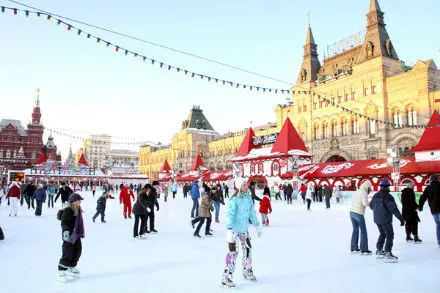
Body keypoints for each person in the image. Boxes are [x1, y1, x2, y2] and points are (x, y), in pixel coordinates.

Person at [222, 177, 262, 288]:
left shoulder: (248, 198)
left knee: (248, 251)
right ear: (239, 186)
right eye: (244, 185)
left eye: (247, 184)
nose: (246, 186)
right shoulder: (234, 200)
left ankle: (247, 271)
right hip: (235, 230)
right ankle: (226, 277)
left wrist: (257, 225)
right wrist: (229, 230)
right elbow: (230, 215)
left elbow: (251, 213)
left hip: (244, 230)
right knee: (233, 254)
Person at [369, 178, 405, 262]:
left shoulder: (376, 195)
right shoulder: (388, 197)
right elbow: (394, 209)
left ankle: (379, 250)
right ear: (388, 186)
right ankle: (388, 253)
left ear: (381, 186)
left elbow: (371, 206)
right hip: (385, 219)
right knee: (389, 235)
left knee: (382, 233)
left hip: (377, 219)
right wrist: (401, 219)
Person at [56, 193, 85, 282]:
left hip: (76, 234)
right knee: (68, 253)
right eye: (78, 201)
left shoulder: (77, 209)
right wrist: (65, 231)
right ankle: (61, 271)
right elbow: (64, 222)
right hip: (69, 235)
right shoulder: (68, 210)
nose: (80, 202)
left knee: (78, 251)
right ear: (73, 201)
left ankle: (71, 267)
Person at [349, 180, 372, 254]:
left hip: (352, 212)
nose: (370, 189)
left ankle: (353, 247)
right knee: (363, 231)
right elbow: (365, 203)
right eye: (370, 188)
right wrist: (371, 203)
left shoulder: (358, 190)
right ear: (367, 187)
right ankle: (364, 248)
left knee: (355, 230)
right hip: (358, 213)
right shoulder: (364, 192)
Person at [418, 174, 440, 248]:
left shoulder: (428, 188)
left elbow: (422, 197)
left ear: (431, 180)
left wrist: (420, 207)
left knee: (438, 225)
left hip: (433, 210)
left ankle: (439, 243)